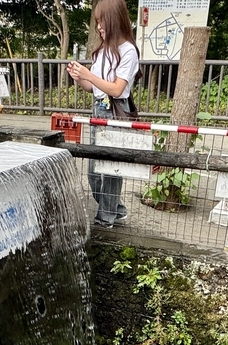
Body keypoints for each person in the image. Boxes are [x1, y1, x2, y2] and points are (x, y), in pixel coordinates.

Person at [68, 0, 140, 228]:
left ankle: (105, 217)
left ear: (115, 21)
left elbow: (118, 89)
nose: (99, 27)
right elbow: (95, 87)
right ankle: (116, 209)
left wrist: (89, 75)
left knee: (109, 169)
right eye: (97, 22)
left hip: (116, 111)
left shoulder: (128, 51)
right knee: (93, 169)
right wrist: (80, 79)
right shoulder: (102, 50)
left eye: (102, 21)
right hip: (99, 107)